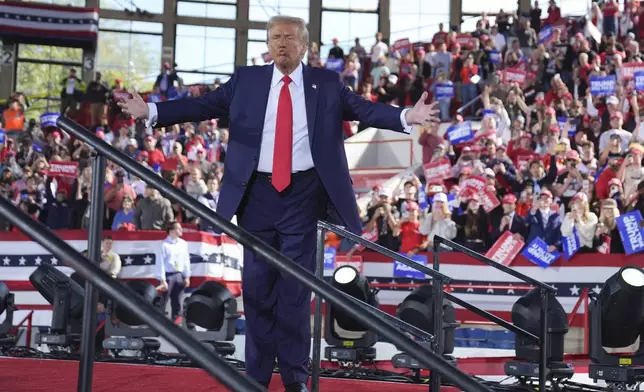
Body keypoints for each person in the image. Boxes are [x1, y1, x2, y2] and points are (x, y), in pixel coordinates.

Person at [118, 15, 438, 392]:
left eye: (289, 37)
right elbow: (201, 105)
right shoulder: (246, 80)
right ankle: (256, 375)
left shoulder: (327, 83)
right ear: (267, 45)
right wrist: (151, 111)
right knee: (256, 288)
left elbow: (365, 109)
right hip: (256, 196)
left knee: (294, 291)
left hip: (303, 196)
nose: (281, 43)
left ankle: (295, 378)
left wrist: (407, 116)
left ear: (304, 46)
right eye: (275, 38)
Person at [156, 221, 191, 322]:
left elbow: (186, 260)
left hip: (179, 275)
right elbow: (160, 263)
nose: (181, 230)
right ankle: (159, 325)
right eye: (178, 229)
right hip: (167, 276)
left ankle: (176, 325)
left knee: (178, 303)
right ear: (171, 231)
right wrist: (162, 280)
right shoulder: (163, 245)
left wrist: (187, 276)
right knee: (163, 301)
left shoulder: (183, 244)